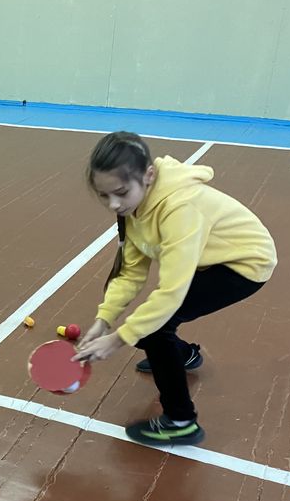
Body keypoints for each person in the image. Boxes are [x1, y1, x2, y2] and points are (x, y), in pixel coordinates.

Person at [76, 132, 277, 447]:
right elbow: (130, 272)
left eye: (121, 193)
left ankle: (181, 422)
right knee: (148, 328)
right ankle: (184, 355)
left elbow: (171, 291)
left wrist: (115, 341)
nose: (113, 204)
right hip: (208, 257)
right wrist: (103, 321)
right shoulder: (131, 208)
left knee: (154, 330)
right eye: (104, 196)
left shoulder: (179, 209)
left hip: (244, 263)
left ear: (148, 176)